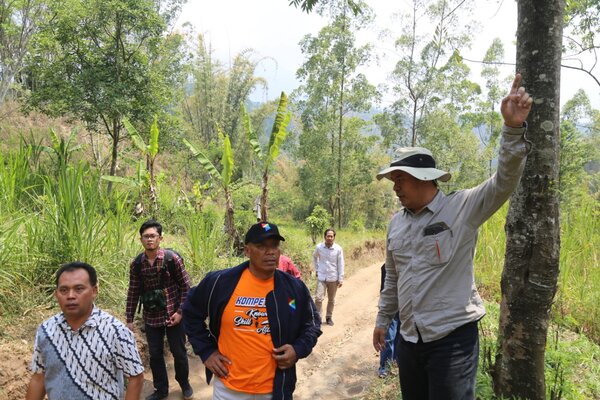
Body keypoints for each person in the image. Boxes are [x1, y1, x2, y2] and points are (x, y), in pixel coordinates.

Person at [372, 73, 533, 400]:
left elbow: (503, 182)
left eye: (400, 178)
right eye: (393, 179)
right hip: (409, 339)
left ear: (424, 179)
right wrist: (381, 318)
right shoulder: (396, 225)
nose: (395, 186)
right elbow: (393, 279)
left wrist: (513, 129)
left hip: (452, 341)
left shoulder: (463, 208)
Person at [183, 221, 322, 400]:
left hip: (275, 390)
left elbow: (312, 323)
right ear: (247, 250)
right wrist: (206, 351)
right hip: (228, 389)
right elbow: (190, 311)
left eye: (274, 246)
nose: (270, 252)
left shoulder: (294, 289)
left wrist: (297, 349)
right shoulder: (220, 283)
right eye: (261, 246)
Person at [26, 262, 144, 400]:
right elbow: (39, 377)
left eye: (79, 289)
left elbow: (136, 377)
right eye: (64, 290)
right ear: (56, 294)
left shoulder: (115, 331)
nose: (70, 296)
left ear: (94, 291)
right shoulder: (46, 331)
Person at [126, 220, 193, 400]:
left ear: (160, 238)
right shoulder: (137, 264)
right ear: (141, 240)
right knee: (155, 354)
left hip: (174, 313)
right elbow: (133, 290)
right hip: (151, 315)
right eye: (146, 236)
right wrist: (129, 318)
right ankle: (161, 390)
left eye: (153, 236)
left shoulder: (172, 259)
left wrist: (180, 312)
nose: (149, 239)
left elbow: (187, 287)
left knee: (179, 352)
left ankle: (184, 383)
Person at [313, 228, 344, 326]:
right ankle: (317, 319)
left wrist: (341, 278)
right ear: (325, 237)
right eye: (328, 236)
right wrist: (317, 269)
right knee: (318, 298)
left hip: (333, 278)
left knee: (331, 299)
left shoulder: (338, 249)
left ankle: (329, 317)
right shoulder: (319, 247)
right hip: (322, 277)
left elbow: (341, 264)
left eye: (331, 236)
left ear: (334, 237)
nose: (330, 238)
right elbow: (314, 257)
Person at [377, 264, 399, 379]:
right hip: (391, 307)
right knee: (389, 336)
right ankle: (384, 367)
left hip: (406, 306)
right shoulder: (386, 267)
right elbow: (384, 291)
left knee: (400, 336)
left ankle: (395, 362)